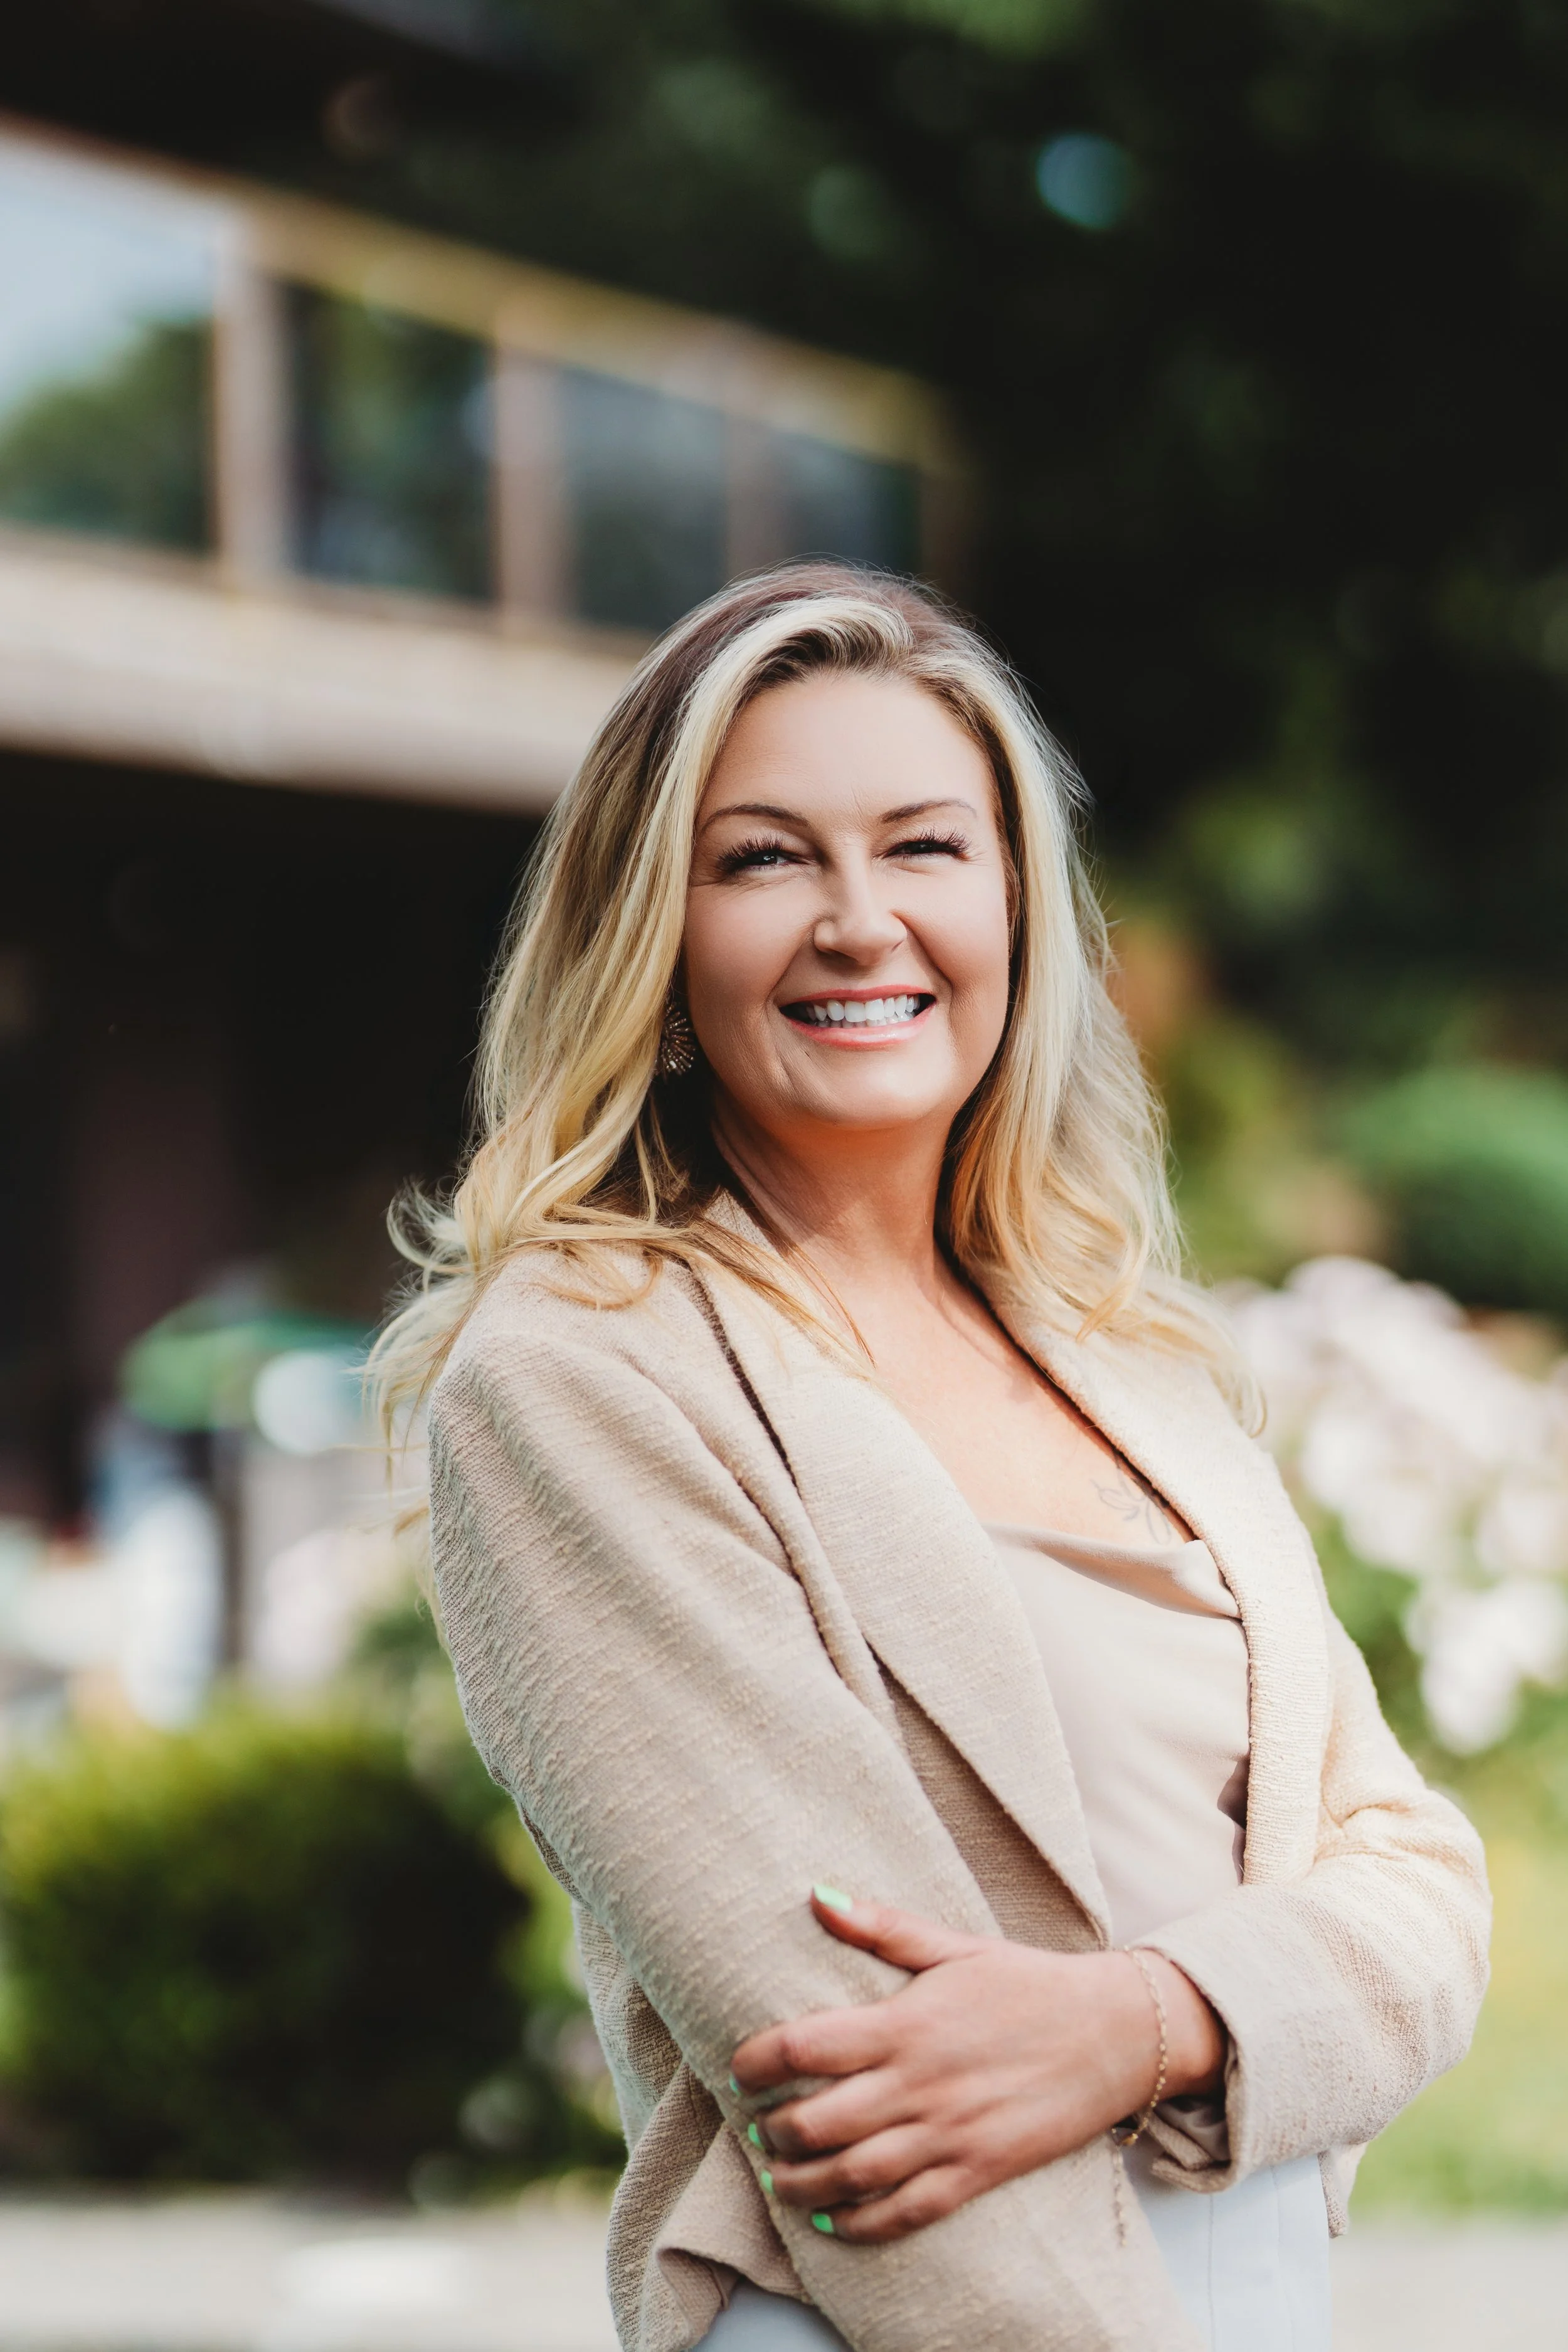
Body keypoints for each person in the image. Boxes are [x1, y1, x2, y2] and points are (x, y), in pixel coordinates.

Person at [373, 565, 1488, 2352]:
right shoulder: (583, 1375)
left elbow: (1419, 1880)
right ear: (651, 937)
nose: (855, 921)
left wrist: (1145, 2013)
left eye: (922, 847)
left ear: (1018, 909)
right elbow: (847, 2079)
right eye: (760, 860)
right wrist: (1246, 2004)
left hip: (1256, 2280)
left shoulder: (1120, 1348)